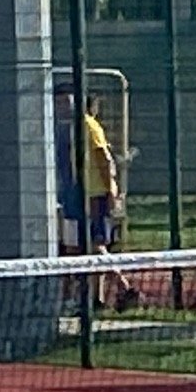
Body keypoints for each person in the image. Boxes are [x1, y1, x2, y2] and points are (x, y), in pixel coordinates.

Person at [53, 83, 134, 311]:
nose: (61, 107)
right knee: (73, 247)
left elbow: (104, 159)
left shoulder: (88, 126)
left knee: (95, 244)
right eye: (57, 102)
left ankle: (124, 287)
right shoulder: (61, 128)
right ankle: (94, 299)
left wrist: (110, 190)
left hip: (93, 194)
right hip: (73, 195)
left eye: (65, 101)